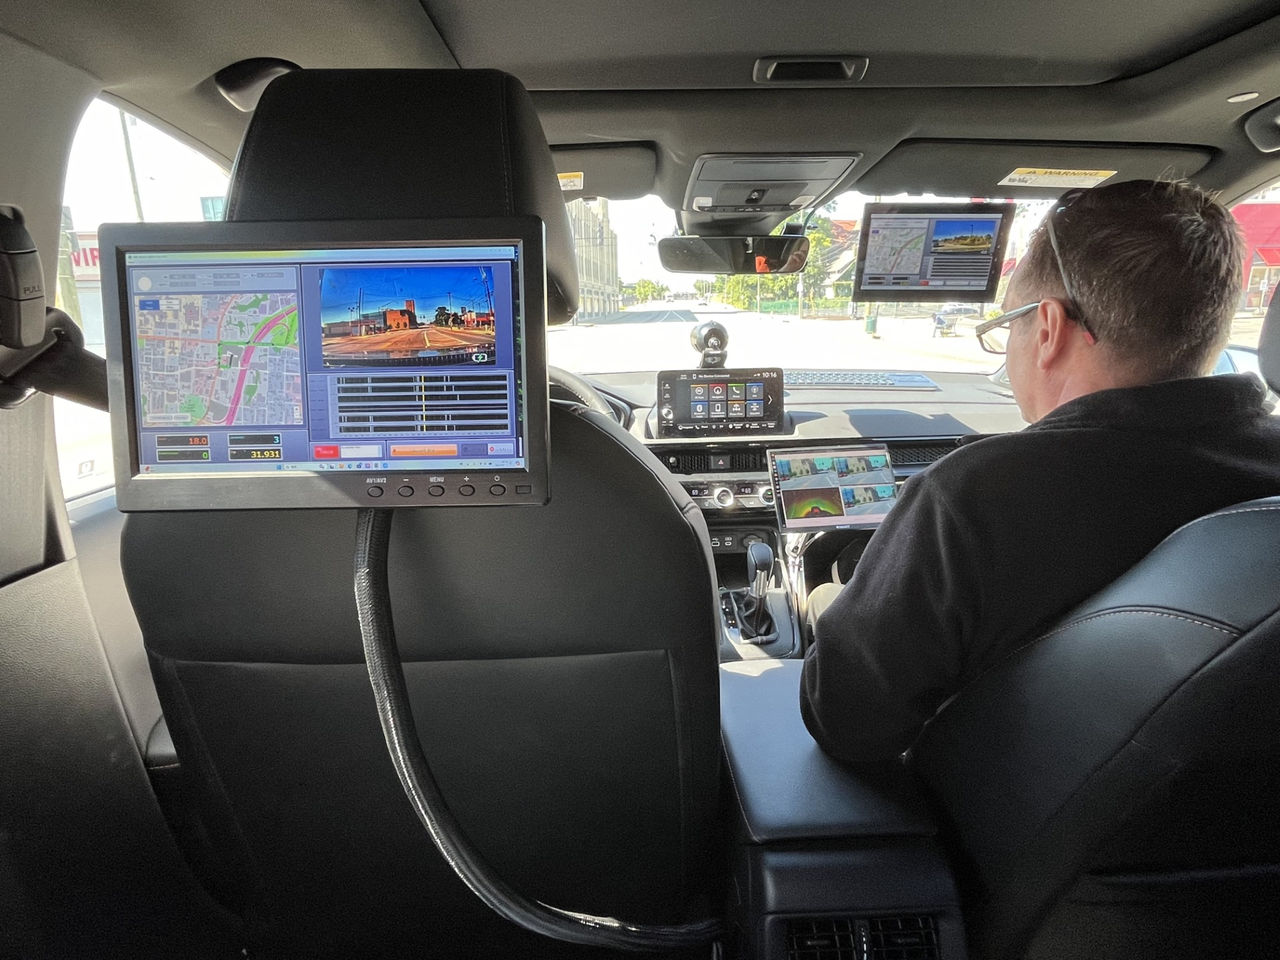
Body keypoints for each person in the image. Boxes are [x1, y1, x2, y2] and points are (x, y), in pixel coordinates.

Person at [801, 179, 1280, 763]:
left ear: (1048, 327)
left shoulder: (975, 495)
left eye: (1009, 325)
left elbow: (847, 722)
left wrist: (829, 600)